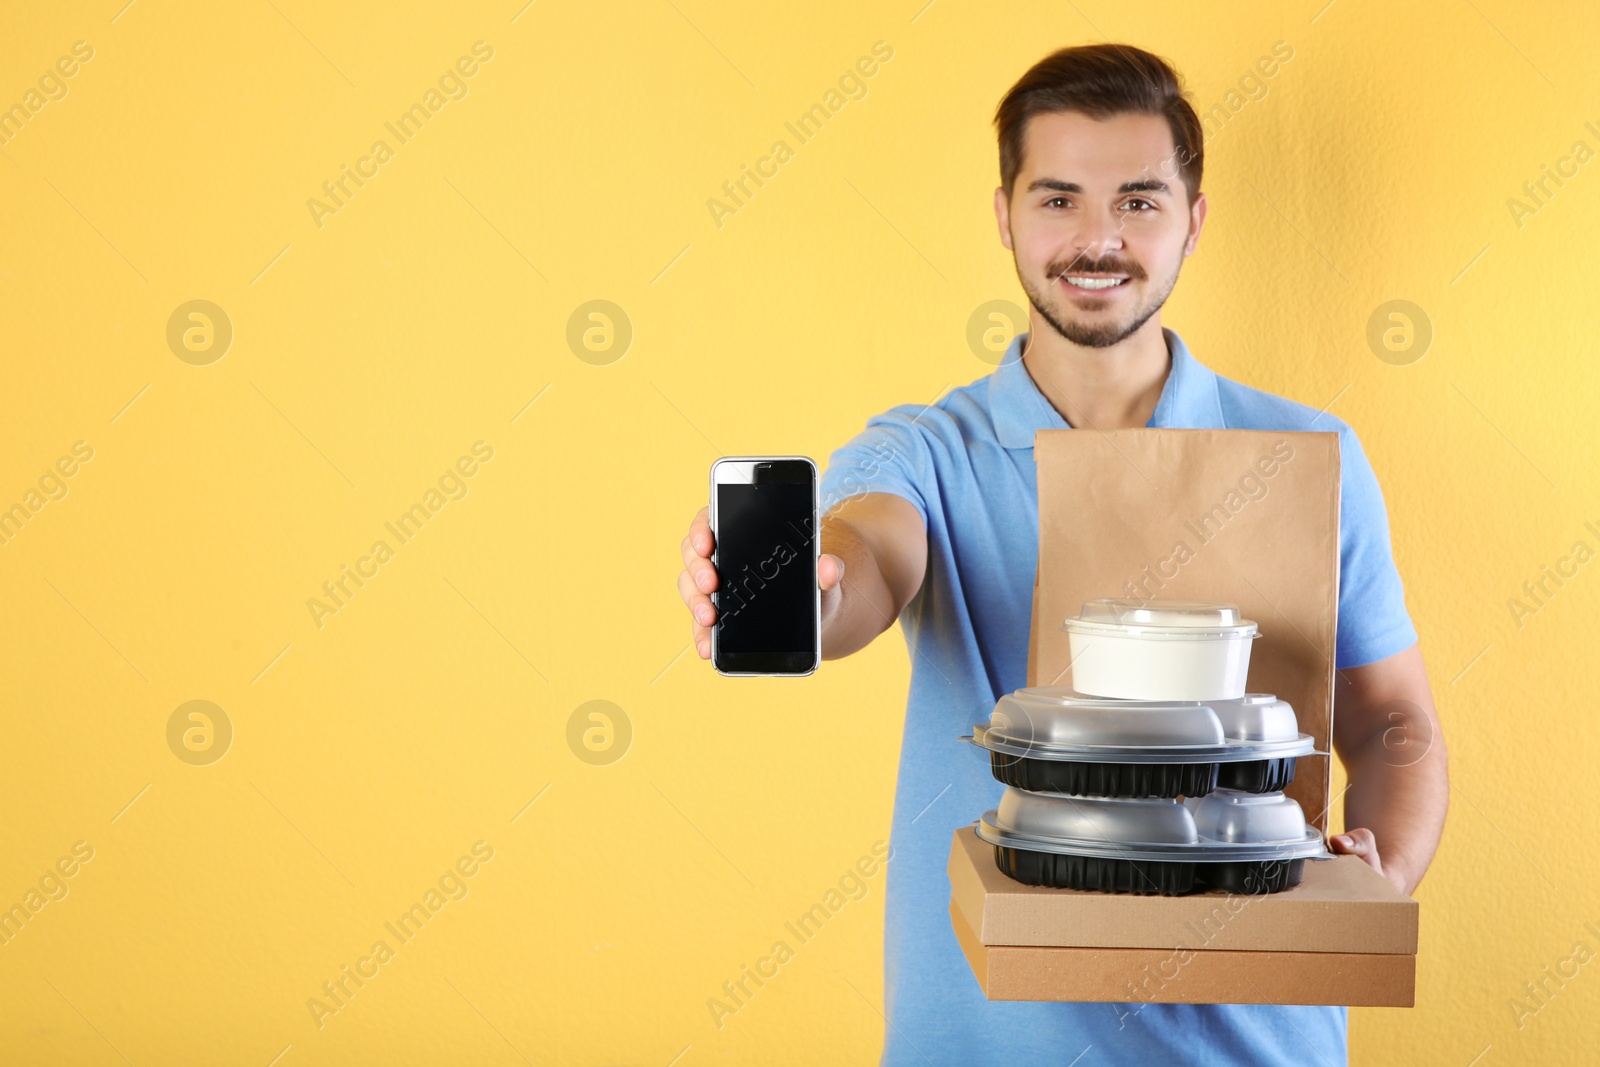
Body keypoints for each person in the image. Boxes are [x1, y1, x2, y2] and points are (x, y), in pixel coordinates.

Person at [676, 42, 1448, 1066]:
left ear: (1192, 219)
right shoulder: (926, 453)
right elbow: (868, 552)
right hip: (985, 1042)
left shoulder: (1309, 458)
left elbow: (1392, 717)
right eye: (1057, 200)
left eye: (1137, 200)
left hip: (1251, 1040)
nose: (1098, 238)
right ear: (1002, 214)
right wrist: (812, 591)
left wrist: (1376, 875)